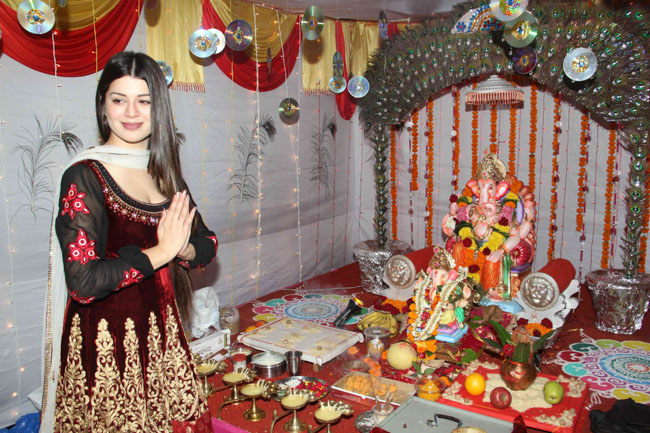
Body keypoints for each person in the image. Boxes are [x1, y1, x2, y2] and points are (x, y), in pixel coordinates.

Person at [40, 51, 217, 432]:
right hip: (107, 343)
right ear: (103, 106)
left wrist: (182, 249)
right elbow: (83, 282)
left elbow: (207, 243)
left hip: (162, 333)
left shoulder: (165, 173)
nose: (132, 113)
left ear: (159, 108)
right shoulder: (85, 175)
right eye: (119, 100)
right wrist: (162, 251)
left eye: (144, 101)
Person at [442, 153, 536, 300]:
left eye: (489, 187)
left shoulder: (505, 211)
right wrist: (449, 228)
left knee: (492, 259)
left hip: (494, 248)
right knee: (458, 248)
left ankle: (488, 293)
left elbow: (516, 236)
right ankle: (457, 284)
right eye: (480, 187)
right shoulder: (470, 208)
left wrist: (501, 250)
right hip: (471, 247)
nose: (484, 194)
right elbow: (458, 230)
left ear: (499, 189)